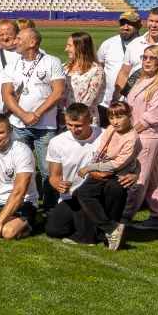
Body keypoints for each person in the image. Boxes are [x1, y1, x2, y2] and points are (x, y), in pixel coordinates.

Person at [1, 26, 67, 200]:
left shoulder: (51, 61)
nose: (15, 41)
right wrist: (23, 115)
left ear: (32, 42)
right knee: (19, 167)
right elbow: (6, 94)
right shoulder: (13, 64)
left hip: (45, 127)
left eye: (19, 39)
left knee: (48, 169)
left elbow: (58, 91)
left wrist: (36, 113)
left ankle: (50, 206)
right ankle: (23, 201)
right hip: (18, 125)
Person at [71, 102, 141, 250]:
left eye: (119, 117)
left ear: (129, 116)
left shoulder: (132, 138)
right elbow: (101, 150)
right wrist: (95, 166)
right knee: (82, 193)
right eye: (111, 118)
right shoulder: (111, 129)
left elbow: (116, 164)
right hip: (103, 170)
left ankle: (109, 232)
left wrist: (90, 167)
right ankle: (109, 230)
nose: (115, 121)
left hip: (117, 175)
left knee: (108, 192)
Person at [123, 44, 158, 231]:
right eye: (144, 57)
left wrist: (129, 132)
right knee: (153, 178)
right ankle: (157, 216)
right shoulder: (142, 80)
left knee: (139, 178)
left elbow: (153, 116)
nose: (147, 61)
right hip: (139, 134)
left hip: (148, 136)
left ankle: (124, 217)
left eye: (152, 58)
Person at [41, 103, 102, 244]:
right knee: (53, 230)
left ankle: (96, 227)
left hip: (97, 195)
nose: (74, 129)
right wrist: (59, 185)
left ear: (90, 120)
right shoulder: (57, 142)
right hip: (71, 196)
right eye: (69, 125)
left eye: (78, 126)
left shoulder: (103, 136)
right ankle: (87, 226)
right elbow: (54, 176)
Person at [97, 11, 142, 106]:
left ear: (139, 25)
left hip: (134, 103)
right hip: (107, 102)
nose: (125, 27)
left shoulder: (145, 45)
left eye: (130, 24)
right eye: (122, 24)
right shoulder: (108, 44)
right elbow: (99, 68)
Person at [64, 32, 105, 110]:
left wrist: (71, 114)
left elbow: (89, 100)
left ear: (80, 47)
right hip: (63, 115)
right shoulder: (64, 68)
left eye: (70, 46)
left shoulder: (96, 70)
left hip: (83, 116)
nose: (66, 49)